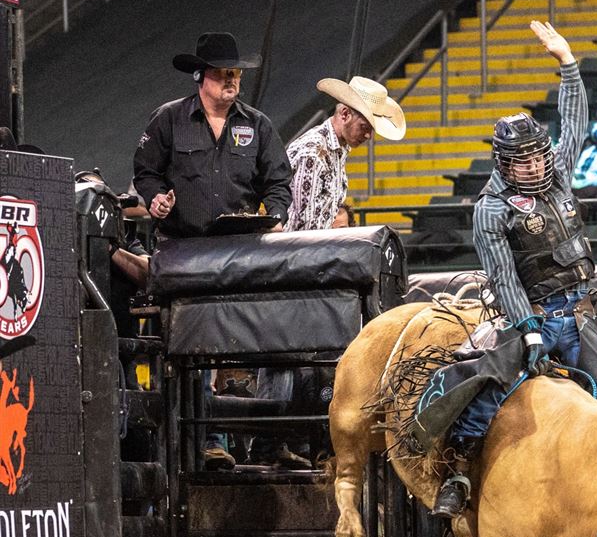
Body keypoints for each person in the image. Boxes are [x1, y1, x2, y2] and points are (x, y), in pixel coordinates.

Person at [432, 21, 597, 519]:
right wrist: (528, 329)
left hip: (579, 312)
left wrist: (568, 64)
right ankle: (458, 473)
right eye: (523, 160)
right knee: (491, 382)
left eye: (537, 156)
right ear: (503, 163)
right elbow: (503, 276)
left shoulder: (558, 178)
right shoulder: (491, 209)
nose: (533, 165)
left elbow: (574, 123)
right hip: (536, 313)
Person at [133, 31, 293, 470]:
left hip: (240, 251)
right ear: (201, 76)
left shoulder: (256, 125)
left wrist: (275, 212)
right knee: (194, 346)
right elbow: (145, 173)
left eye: (236, 74)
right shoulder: (169, 119)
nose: (232, 81)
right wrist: (156, 198)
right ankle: (206, 442)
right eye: (224, 73)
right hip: (185, 251)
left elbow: (278, 180)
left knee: (255, 340)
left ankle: (262, 439)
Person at [249, 74, 406, 469]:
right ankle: (267, 445)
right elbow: (299, 228)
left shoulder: (334, 155)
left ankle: (286, 443)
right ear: (344, 113)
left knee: (300, 363)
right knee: (284, 360)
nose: (369, 134)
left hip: (307, 269)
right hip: (293, 270)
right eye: (366, 124)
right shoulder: (312, 154)